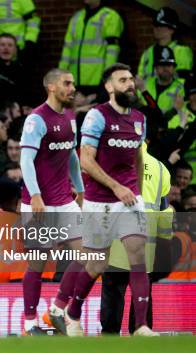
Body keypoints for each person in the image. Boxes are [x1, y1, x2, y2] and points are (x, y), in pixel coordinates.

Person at [70, 63, 158, 337]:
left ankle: (141, 326)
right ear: (109, 86)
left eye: (131, 79)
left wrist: (138, 192)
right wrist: (116, 187)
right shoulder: (97, 116)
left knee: (137, 255)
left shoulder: (140, 119)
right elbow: (86, 159)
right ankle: (72, 315)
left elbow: (138, 157)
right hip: (100, 200)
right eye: (122, 80)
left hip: (130, 198)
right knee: (97, 263)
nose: (130, 84)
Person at [18, 68, 85, 335]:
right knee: (38, 262)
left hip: (64, 200)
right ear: (51, 87)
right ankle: (29, 323)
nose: (72, 88)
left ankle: (56, 308)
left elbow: (72, 156)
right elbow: (25, 159)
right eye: (67, 84)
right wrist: (35, 195)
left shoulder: (71, 117)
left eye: (73, 84)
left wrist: (79, 190)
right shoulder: (36, 119)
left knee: (88, 254)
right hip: (38, 203)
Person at [101, 143, 173, 334]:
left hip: (116, 240)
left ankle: (109, 338)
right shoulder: (160, 168)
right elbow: (164, 209)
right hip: (146, 242)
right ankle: (141, 335)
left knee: (113, 292)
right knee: (142, 293)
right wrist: (165, 238)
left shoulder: (113, 163)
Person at [59, 0, 123, 94]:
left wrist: (107, 78)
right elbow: (67, 49)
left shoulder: (110, 16)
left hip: (97, 82)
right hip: (75, 82)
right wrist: (60, 76)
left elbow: (112, 52)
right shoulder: (76, 18)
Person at [137, 7, 193, 81]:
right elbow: (140, 80)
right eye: (156, 25)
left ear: (172, 30)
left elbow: (182, 82)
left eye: (161, 25)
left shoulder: (182, 51)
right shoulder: (147, 53)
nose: (157, 28)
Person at [138, 46, 185, 116]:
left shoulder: (183, 86)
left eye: (169, 65)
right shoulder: (145, 84)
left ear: (174, 68)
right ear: (155, 69)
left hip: (171, 126)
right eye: (162, 65)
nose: (165, 68)